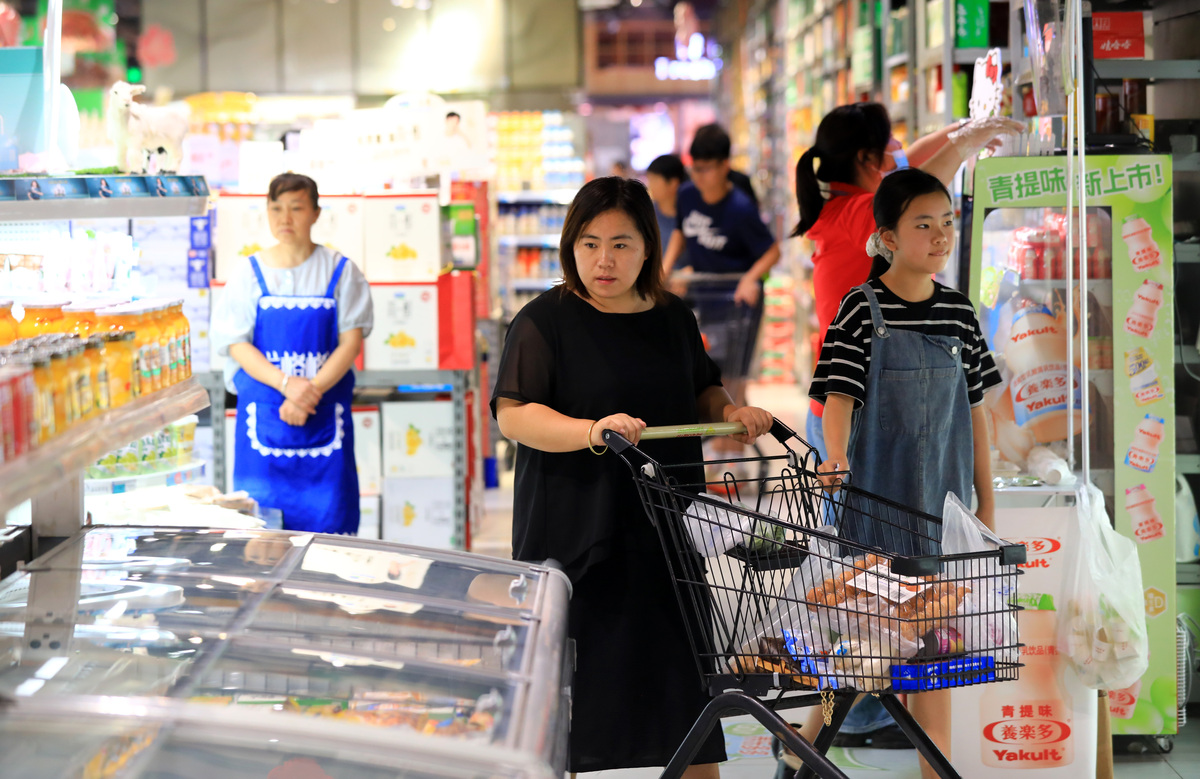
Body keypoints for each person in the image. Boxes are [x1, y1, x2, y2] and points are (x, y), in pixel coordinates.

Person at [491, 176, 774, 777]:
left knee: (686, 703)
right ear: (570, 246)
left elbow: (702, 384)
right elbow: (516, 415)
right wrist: (592, 431)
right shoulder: (545, 320)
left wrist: (728, 412)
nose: (603, 259)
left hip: (668, 539)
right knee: (574, 708)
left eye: (621, 243)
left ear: (649, 246)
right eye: (589, 243)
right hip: (577, 538)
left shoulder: (672, 317)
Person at [784, 105, 1020, 751]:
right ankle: (802, 745)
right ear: (885, 236)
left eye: (948, 222)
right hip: (873, 511)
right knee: (861, 655)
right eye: (924, 224)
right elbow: (836, 396)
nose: (941, 236)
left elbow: (975, 414)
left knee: (934, 660)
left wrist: (986, 506)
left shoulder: (959, 313)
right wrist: (834, 456)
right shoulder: (860, 311)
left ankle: (930, 766)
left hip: (941, 515)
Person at [214, 173, 373, 535]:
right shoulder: (248, 274)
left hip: (324, 422)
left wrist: (307, 391)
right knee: (263, 543)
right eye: (276, 209)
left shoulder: (341, 272)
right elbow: (236, 343)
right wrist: (286, 384)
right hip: (264, 430)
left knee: (330, 539)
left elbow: (350, 342)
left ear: (316, 213)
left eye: (296, 208)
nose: (285, 218)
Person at [663, 123, 780, 455]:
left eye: (705, 169)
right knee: (711, 379)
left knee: (734, 380)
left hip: (739, 306)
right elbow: (681, 233)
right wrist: (668, 266)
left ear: (724, 166)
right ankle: (722, 453)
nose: (697, 176)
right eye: (693, 168)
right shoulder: (687, 195)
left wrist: (750, 277)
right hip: (706, 300)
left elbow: (772, 251)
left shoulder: (740, 208)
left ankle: (735, 459)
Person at [646, 153, 689, 262]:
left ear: (673, 183)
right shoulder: (647, 214)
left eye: (655, 180)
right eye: (650, 180)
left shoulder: (691, 215)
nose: (650, 185)